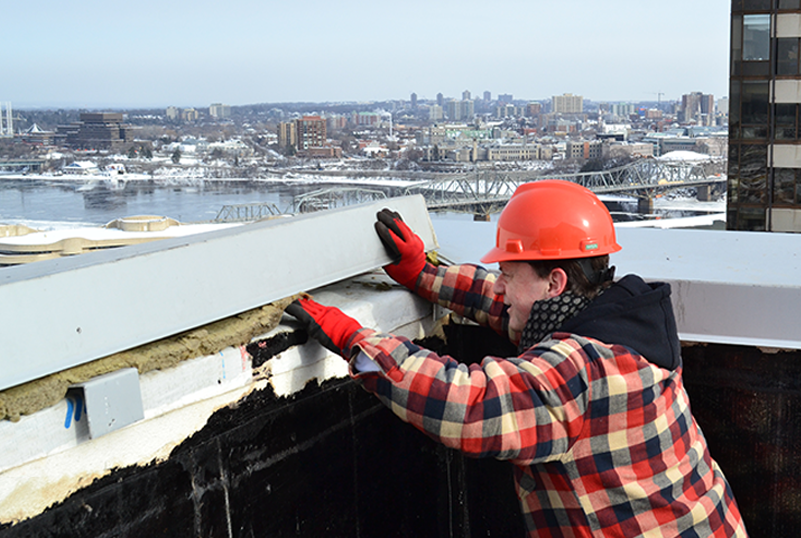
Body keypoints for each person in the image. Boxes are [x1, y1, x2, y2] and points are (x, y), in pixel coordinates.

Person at [286, 179, 747, 537]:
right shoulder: (624, 321)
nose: (499, 284)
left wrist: (355, 341)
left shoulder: (582, 373)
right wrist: (423, 274)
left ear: (556, 284)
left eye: (507, 272)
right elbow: (505, 306)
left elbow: (466, 404)